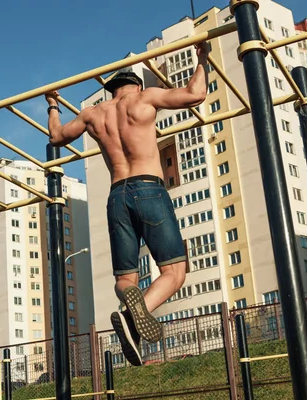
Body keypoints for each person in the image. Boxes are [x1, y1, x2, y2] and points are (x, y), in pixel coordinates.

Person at [45, 42, 210, 366]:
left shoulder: (93, 114)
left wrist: (53, 104)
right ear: (135, 84)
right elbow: (196, 94)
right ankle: (135, 316)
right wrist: (203, 56)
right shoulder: (145, 98)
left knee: (125, 279)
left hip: (117, 195)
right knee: (175, 272)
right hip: (148, 188)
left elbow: (56, 137)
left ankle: (130, 316)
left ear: (110, 91)